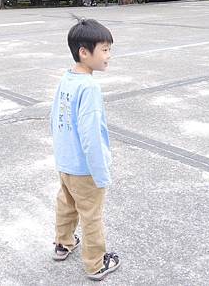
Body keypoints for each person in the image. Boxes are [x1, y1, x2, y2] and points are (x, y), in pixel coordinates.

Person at [50, 17, 120, 281]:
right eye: (104, 49)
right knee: (92, 215)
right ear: (84, 52)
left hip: (66, 163)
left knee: (66, 205)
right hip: (85, 169)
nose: (109, 55)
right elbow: (90, 135)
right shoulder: (89, 87)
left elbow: (54, 117)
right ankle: (95, 264)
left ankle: (63, 243)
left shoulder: (66, 79)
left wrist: (60, 153)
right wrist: (100, 173)